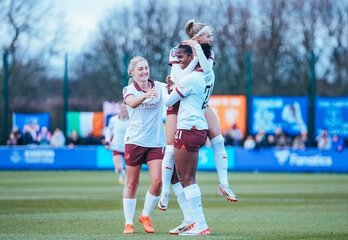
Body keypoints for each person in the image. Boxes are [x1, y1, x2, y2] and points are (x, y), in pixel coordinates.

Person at [159, 19, 238, 214]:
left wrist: (198, 52)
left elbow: (208, 70)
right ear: (196, 37)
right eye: (208, 35)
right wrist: (194, 55)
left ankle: (224, 184)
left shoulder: (208, 52)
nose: (212, 38)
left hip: (197, 102)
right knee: (170, 151)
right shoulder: (179, 50)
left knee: (219, 140)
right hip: (178, 101)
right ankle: (165, 194)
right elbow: (179, 78)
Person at [162, 44, 213, 235]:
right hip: (198, 127)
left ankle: (200, 225)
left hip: (187, 127)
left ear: (194, 57)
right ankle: (192, 221)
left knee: (187, 178)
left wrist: (170, 89)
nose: (179, 60)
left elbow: (168, 101)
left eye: (182, 57)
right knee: (182, 176)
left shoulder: (190, 78)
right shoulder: (209, 75)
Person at [121, 56, 166, 234]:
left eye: (146, 68)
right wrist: (145, 96)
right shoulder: (129, 89)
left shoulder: (160, 86)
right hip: (135, 141)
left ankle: (145, 215)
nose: (144, 72)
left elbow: (175, 90)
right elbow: (131, 103)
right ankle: (128, 222)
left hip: (156, 142)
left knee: (158, 181)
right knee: (132, 182)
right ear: (131, 72)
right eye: (140, 69)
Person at [105, 101, 129, 185]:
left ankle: (127, 181)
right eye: (122, 108)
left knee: (129, 169)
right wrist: (108, 141)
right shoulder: (113, 120)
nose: (123, 110)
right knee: (118, 168)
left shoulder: (132, 120)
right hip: (116, 146)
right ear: (119, 109)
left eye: (125, 108)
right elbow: (108, 131)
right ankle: (122, 174)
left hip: (128, 147)